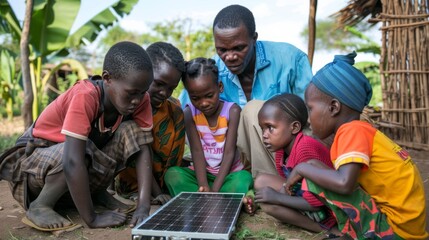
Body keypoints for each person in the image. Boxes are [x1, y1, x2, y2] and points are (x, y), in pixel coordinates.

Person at [0, 41, 154, 230]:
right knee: (82, 147)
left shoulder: (140, 98)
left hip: (75, 169)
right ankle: (41, 205)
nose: (137, 100)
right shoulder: (85, 95)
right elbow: (72, 160)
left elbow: (144, 149)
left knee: (132, 131)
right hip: (32, 169)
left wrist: (143, 207)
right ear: (107, 78)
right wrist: (92, 219)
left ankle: (96, 194)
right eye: (131, 93)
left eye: (142, 92)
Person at [285, 52, 428, 239]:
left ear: (334, 107)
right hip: (408, 226)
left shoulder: (351, 132)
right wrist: (307, 166)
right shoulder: (362, 130)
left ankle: (350, 232)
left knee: (313, 178)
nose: (308, 118)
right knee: (315, 168)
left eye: (310, 108)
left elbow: (344, 184)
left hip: (396, 231)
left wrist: (302, 168)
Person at [179, 4, 313, 177]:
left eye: (239, 48)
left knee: (252, 110)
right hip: (235, 163)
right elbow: (186, 108)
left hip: (291, 158)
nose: (230, 56)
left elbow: (312, 119)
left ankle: (274, 183)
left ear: (254, 38)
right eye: (222, 50)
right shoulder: (209, 73)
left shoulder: (291, 60)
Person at [165, 58, 253, 206]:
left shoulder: (233, 111)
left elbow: (229, 152)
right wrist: (204, 186)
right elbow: (197, 151)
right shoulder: (188, 113)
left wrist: (215, 190)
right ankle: (211, 197)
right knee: (172, 175)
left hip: (228, 175)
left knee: (243, 178)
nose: (204, 103)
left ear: (219, 87)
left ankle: (207, 198)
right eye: (195, 98)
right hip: (202, 173)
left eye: (209, 96)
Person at [253, 93, 338, 233]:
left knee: (269, 205)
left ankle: (327, 229)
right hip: (306, 192)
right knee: (261, 181)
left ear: (294, 127)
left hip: (329, 206)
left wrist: (278, 197)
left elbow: (317, 203)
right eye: (263, 128)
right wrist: (281, 195)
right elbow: (289, 184)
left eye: (270, 127)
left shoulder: (305, 149)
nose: (264, 135)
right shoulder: (282, 148)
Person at [115, 41, 186, 205]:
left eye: (171, 88)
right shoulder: (126, 106)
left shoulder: (174, 111)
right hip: (129, 185)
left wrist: (164, 190)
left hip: (164, 184)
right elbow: (136, 154)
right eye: (159, 84)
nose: (164, 93)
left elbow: (174, 159)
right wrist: (157, 193)